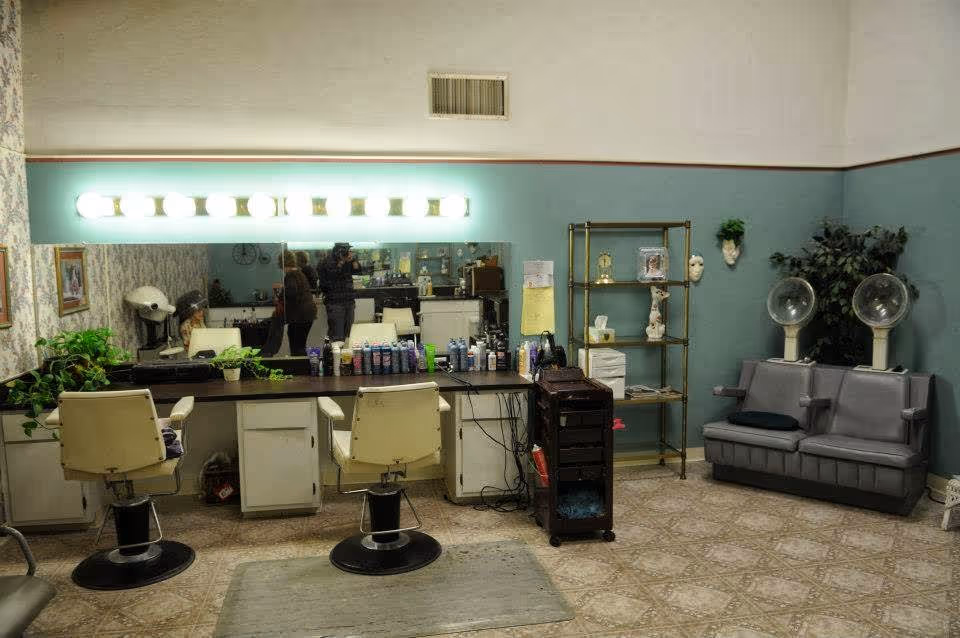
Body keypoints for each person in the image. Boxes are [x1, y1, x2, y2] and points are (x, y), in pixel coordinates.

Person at [319, 242, 360, 341]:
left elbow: (358, 271)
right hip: (335, 302)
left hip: (349, 301)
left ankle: (346, 350)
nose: (348, 253)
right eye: (346, 251)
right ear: (338, 251)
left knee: (349, 334)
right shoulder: (326, 262)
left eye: (349, 250)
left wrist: (354, 260)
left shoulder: (348, 261)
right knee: (337, 335)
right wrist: (341, 262)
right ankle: (336, 350)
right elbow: (331, 278)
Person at [279, 250, 317, 356]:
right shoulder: (300, 273)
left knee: (296, 346)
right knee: (300, 345)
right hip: (308, 314)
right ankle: (303, 364)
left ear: (283, 263)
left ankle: (299, 365)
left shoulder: (290, 275)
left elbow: (291, 292)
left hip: (299, 316)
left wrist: (281, 296)